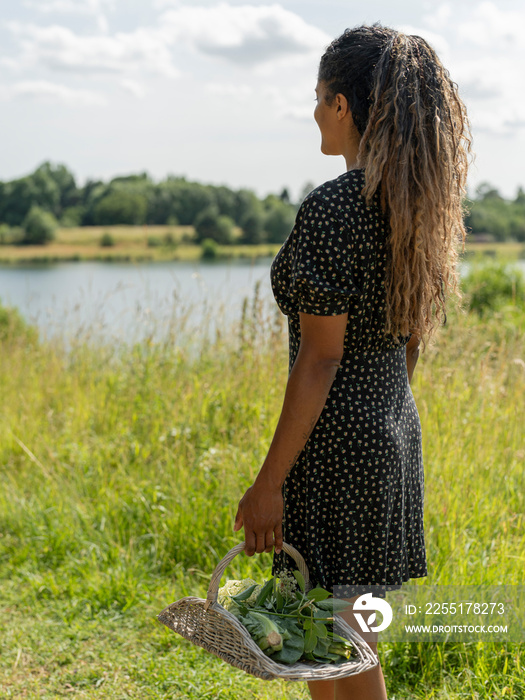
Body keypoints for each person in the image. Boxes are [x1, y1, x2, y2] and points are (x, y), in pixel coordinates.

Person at [234, 23, 471, 700]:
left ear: (341, 106)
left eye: (318, 97)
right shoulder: (418, 207)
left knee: (342, 644)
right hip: (390, 436)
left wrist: (267, 484)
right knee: (331, 634)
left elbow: (319, 359)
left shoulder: (334, 208)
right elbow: (410, 342)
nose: (312, 111)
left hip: (336, 447)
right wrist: (381, 420)